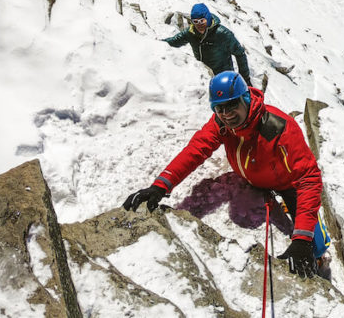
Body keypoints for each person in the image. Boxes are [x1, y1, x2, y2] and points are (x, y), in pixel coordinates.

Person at [123, 71, 330, 278]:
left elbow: (308, 179)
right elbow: (195, 150)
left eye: (232, 105)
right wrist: (161, 185)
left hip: (288, 183)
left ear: (246, 99)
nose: (226, 113)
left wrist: (302, 239)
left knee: (316, 244)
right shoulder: (221, 124)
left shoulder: (279, 128)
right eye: (219, 108)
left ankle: (320, 257)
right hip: (257, 176)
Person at [163, 3, 251, 87]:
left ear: (208, 19)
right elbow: (174, 41)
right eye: (196, 21)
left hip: (224, 79)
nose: (199, 24)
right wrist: (154, 44)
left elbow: (240, 53)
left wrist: (245, 79)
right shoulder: (191, 33)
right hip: (204, 77)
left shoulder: (222, 33)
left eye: (202, 20)